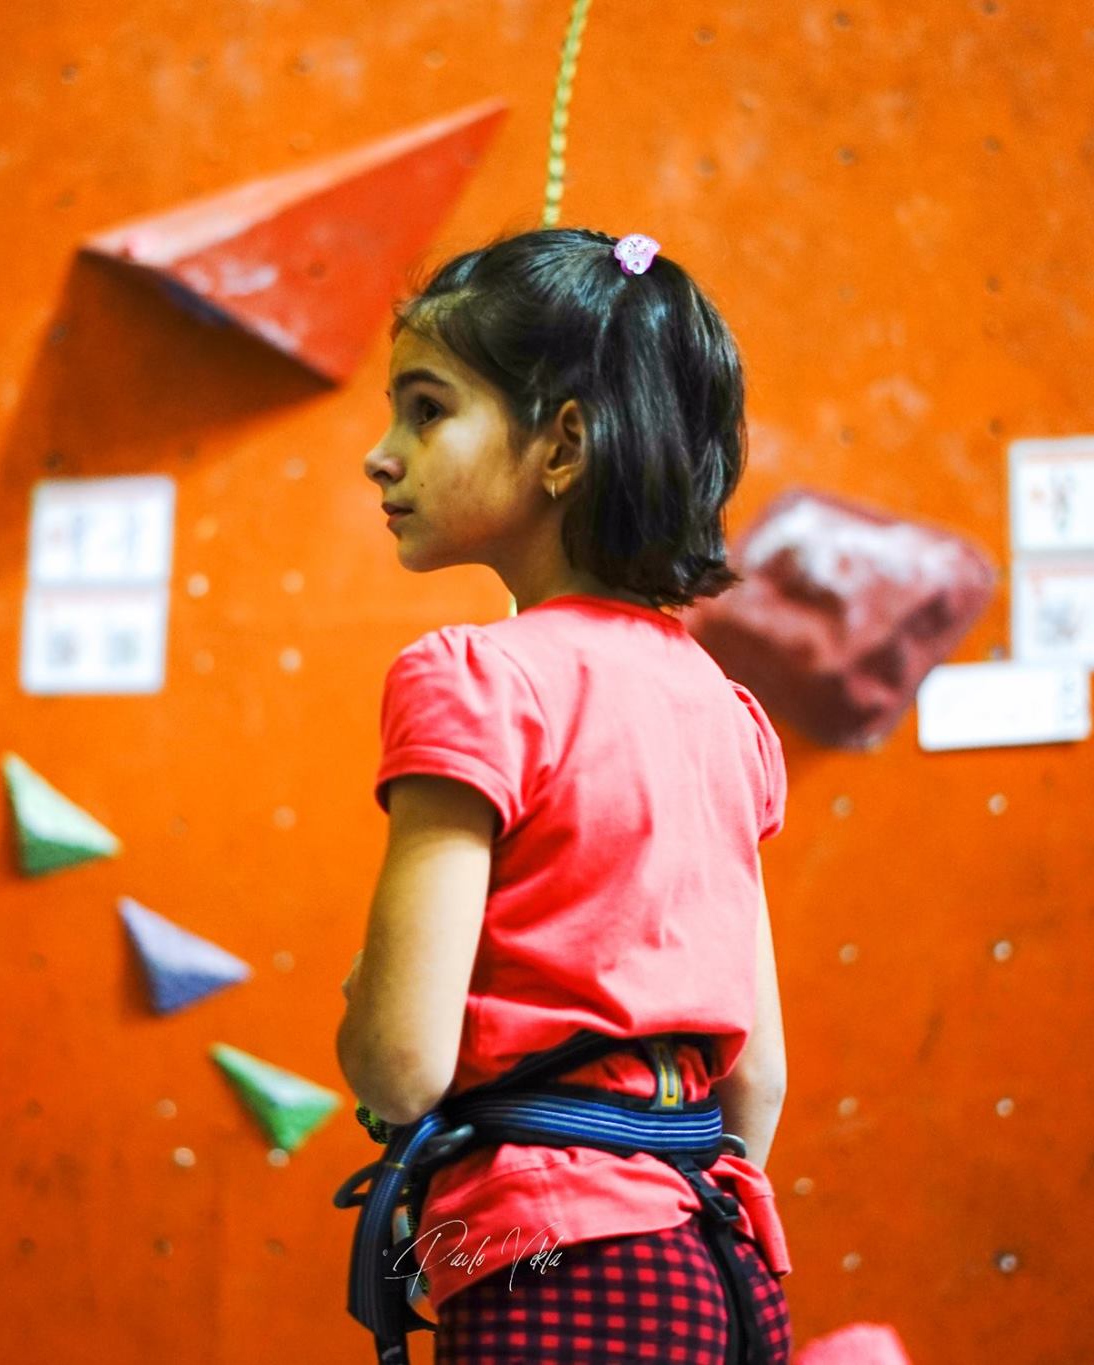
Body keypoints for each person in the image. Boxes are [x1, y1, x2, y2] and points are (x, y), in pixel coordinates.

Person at [337, 226, 793, 1364]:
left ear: (563, 445)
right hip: (716, 1270)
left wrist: (365, 1006)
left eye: (426, 409)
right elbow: (759, 1085)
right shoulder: (721, 710)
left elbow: (402, 1061)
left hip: (550, 1272)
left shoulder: (474, 680)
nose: (379, 455)